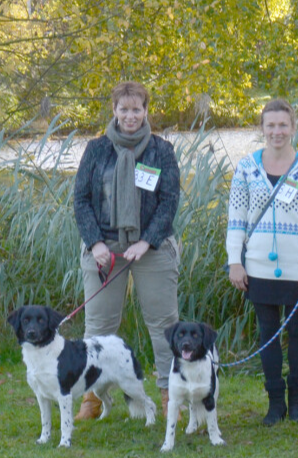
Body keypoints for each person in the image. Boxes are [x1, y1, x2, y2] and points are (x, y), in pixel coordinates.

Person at [70, 81, 181, 419]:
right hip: (105, 248)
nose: (130, 116)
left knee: (164, 325)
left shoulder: (161, 151)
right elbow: (81, 200)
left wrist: (147, 241)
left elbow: (169, 200)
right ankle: (92, 397)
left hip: (152, 246)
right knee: (98, 327)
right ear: (114, 111)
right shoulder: (96, 149)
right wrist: (95, 243)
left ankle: (170, 396)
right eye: (124, 109)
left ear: (146, 111)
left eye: (136, 109)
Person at [225, 99, 298, 425]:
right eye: (270, 125)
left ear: (293, 127)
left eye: (283, 125)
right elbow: (236, 219)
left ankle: (296, 401)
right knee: (267, 332)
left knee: (297, 333)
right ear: (262, 129)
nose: (277, 131)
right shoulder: (246, 168)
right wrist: (234, 261)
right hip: (258, 266)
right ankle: (274, 402)